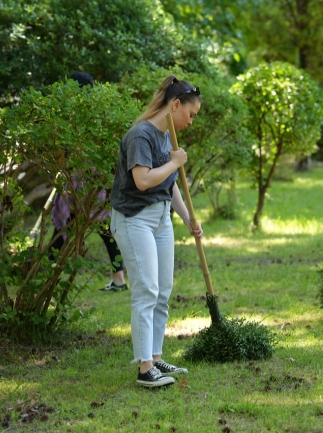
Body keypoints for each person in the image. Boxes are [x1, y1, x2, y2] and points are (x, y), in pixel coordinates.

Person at [110, 75, 203, 388]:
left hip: (161, 218)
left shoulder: (167, 135)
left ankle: (155, 354)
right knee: (146, 289)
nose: (191, 122)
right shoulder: (141, 135)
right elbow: (144, 180)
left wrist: (189, 218)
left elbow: (168, 185)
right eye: (190, 115)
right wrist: (175, 163)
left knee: (163, 289)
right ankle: (144, 367)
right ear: (175, 105)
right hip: (134, 219)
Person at [48, 72, 128, 292]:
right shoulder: (98, 112)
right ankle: (119, 279)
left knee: (64, 223)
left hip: (83, 179)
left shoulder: (78, 114)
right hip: (93, 179)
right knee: (101, 227)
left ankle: (45, 269)